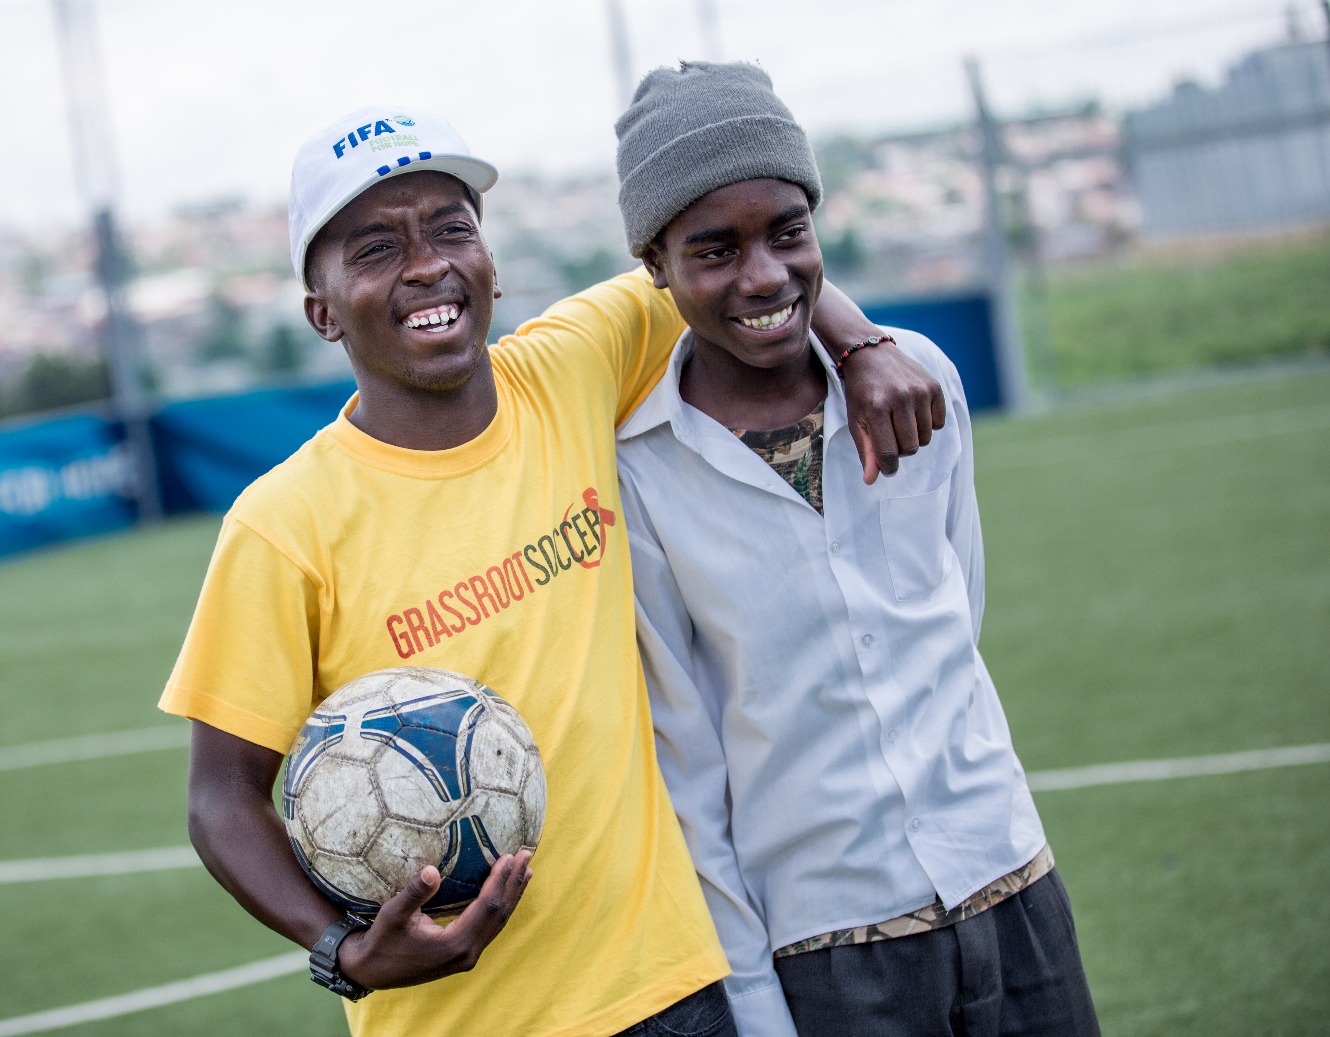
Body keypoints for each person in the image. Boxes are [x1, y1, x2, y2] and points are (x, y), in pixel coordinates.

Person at [160, 103, 944, 1037]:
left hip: (675, 989)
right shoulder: (282, 523)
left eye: (451, 228)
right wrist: (340, 945)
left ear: (489, 258)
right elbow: (220, 795)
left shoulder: (570, 367)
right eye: (374, 249)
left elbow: (740, 266)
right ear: (320, 310)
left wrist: (859, 343)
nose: (426, 264)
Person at [613, 62, 1101, 1037]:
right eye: (715, 249)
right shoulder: (641, 471)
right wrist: (755, 1004)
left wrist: (866, 343)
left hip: (1010, 881)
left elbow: (957, 610)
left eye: (787, 232)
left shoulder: (920, 383)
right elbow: (691, 759)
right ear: (655, 263)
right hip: (832, 948)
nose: (762, 274)